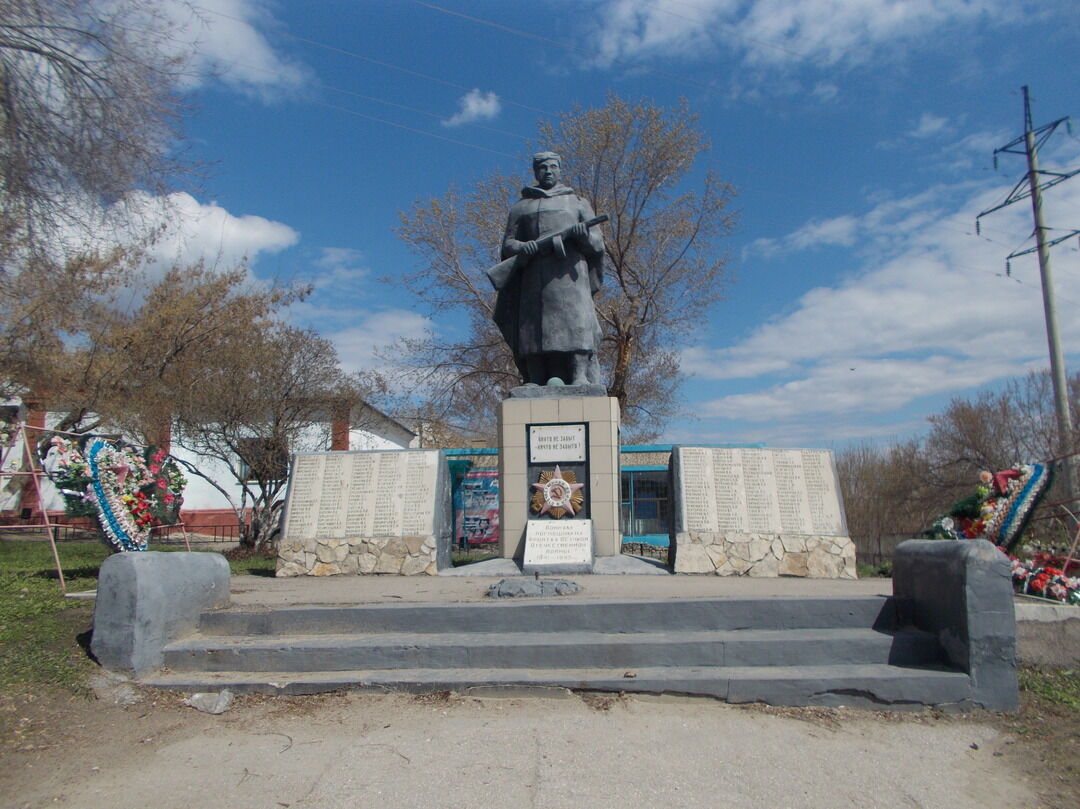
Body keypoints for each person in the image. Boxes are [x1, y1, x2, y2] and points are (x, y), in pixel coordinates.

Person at [494, 152, 605, 387]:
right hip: (534, 276)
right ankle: (535, 377)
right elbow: (508, 245)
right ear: (535, 171)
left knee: (576, 322)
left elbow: (597, 244)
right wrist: (524, 247)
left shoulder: (577, 203)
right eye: (543, 167)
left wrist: (583, 237)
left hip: (571, 274)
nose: (548, 171)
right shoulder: (521, 208)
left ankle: (579, 376)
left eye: (553, 166)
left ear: (560, 169)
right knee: (532, 326)